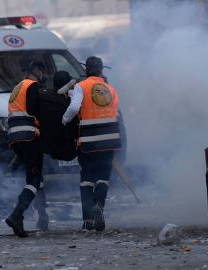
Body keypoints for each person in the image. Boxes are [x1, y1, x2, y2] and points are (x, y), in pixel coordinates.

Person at [61, 56, 121, 231]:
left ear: (87, 70)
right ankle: (99, 206)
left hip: (88, 141)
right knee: (103, 177)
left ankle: (87, 220)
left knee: (87, 179)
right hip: (109, 139)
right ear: (101, 70)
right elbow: (115, 112)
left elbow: (73, 108)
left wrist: (64, 120)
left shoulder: (81, 86)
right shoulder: (110, 89)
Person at [5, 60, 49, 237]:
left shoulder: (18, 88)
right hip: (29, 135)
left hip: (15, 137)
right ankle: (17, 215)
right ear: (38, 71)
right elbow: (35, 111)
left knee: (35, 176)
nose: (42, 76)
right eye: (42, 72)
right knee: (33, 181)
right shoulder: (33, 86)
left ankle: (41, 217)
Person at [37, 70, 78, 161]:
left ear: (53, 83)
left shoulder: (42, 97)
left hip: (46, 149)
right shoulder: (71, 102)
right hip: (67, 150)